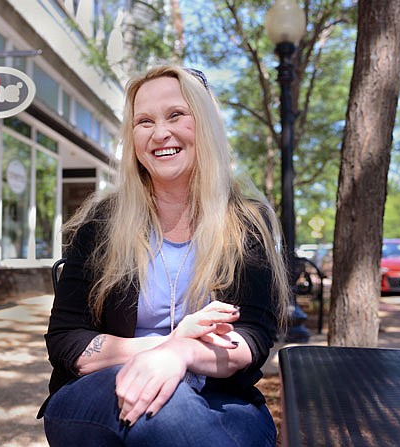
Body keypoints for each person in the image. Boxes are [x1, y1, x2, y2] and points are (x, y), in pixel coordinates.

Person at [38, 65, 290, 446]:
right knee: (168, 408)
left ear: (203, 125)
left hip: (222, 398)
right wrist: (168, 345)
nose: (160, 133)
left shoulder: (247, 223)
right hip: (98, 391)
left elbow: (253, 336)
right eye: (144, 121)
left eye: (175, 115)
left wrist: (183, 355)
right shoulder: (102, 223)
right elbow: (66, 341)